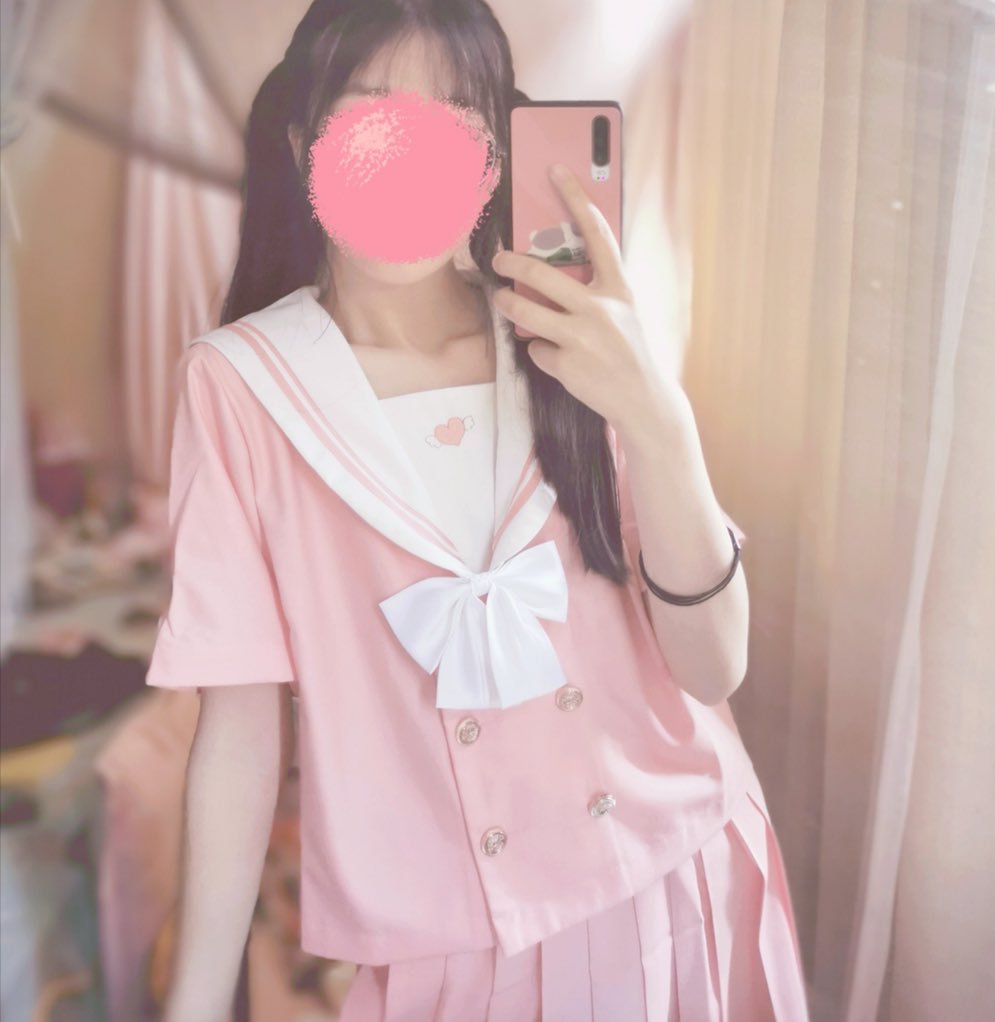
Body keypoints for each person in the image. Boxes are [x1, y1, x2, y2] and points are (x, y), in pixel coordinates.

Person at [146, 1, 811, 1019]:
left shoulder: (568, 342)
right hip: (445, 946)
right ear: (302, 138)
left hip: (672, 879)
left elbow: (714, 667)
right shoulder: (241, 386)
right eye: (373, 109)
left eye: (455, 117)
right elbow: (237, 728)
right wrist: (193, 1005)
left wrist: (658, 416)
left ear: (493, 163)